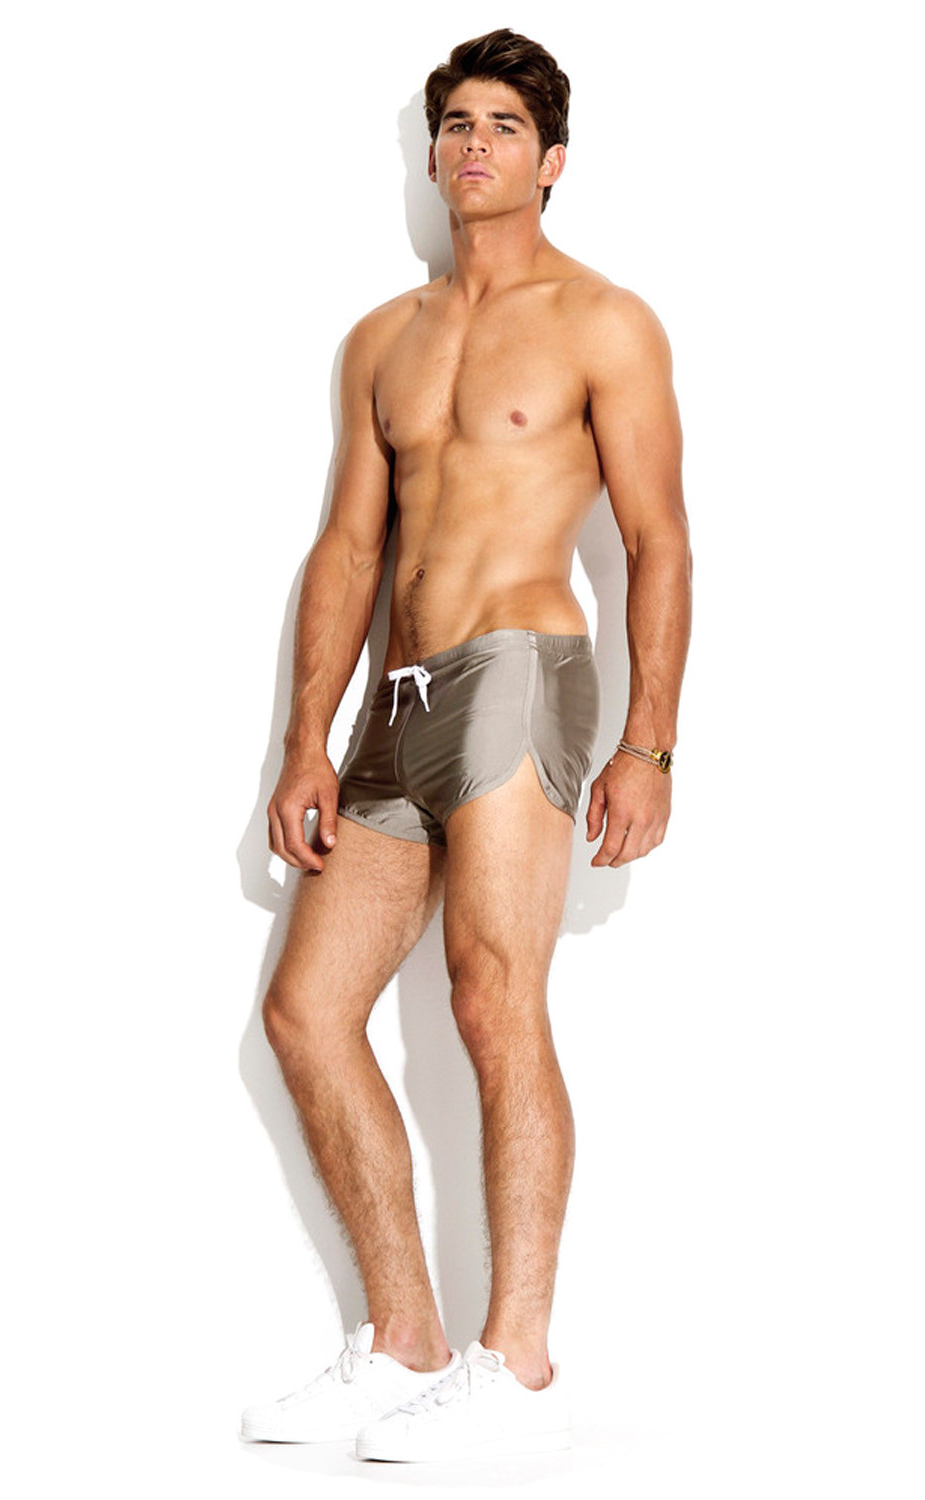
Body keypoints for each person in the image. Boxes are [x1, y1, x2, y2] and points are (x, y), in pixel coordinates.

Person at [241, 29, 690, 1462]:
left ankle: (521, 1360)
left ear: (551, 161)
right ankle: (402, 1341)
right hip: (396, 702)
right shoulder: (384, 337)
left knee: (494, 999)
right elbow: (346, 549)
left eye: (502, 125)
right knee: (307, 1014)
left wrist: (650, 744)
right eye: (454, 123)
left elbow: (658, 540)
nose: (473, 143)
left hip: (519, 672)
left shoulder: (604, 322)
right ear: (432, 151)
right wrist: (305, 743)